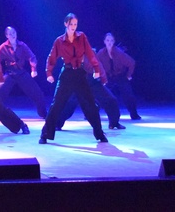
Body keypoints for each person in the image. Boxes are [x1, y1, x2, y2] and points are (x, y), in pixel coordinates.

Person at [39, 13, 108, 144]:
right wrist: (49, 73)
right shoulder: (59, 41)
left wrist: (96, 69)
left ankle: (100, 134)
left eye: (75, 24)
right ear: (66, 24)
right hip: (67, 74)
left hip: (80, 74)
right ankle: (45, 134)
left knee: (91, 105)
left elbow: (90, 54)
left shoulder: (82, 37)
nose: (73, 27)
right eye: (71, 24)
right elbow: (51, 57)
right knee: (56, 104)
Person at [0, 26, 47, 119]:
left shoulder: (22, 45)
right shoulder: (3, 47)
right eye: (10, 34)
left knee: (37, 92)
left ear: (16, 33)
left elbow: (32, 57)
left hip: (21, 72)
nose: (12, 35)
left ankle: (43, 113)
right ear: (6, 36)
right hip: (10, 73)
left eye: (13, 33)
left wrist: (34, 69)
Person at [55, 52, 124, 131]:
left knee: (110, 99)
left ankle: (114, 123)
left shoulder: (90, 51)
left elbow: (98, 63)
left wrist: (103, 77)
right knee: (69, 103)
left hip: (92, 79)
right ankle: (56, 124)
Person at [97, 32, 141, 120]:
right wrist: (99, 76)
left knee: (128, 93)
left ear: (114, 42)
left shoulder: (119, 53)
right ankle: (91, 113)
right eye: (107, 40)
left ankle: (134, 113)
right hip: (108, 76)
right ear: (104, 41)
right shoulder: (101, 53)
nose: (109, 42)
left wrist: (128, 75)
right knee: (99, 91)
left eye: (111, 40)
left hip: (120, 75)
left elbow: (132, 63)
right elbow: (96, 64)